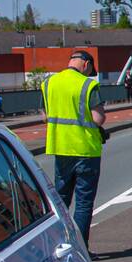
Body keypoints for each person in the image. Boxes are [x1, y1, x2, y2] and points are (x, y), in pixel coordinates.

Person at [42, 51, 106, 246]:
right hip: (86, 151)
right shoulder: (88, 85)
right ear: (86, 64)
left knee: (60, 202)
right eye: (89, 70)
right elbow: (98, 118)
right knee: (84, 203)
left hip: (60, 149)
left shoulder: (49, 83)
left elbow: (45, 117)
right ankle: (80, 248)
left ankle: (59, 244)